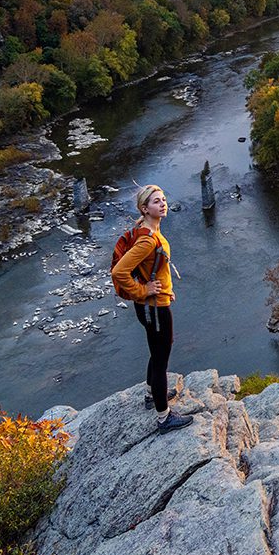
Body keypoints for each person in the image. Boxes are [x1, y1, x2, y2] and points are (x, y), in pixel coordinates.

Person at [111, 184, 193, 434]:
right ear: (144, 209)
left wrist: (164, 289)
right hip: (154, 308)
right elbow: (119, 272)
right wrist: (143, 291)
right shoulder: (147, 239)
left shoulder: (145, 231)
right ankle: (163, 417)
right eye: (156, 202)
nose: (163, 204)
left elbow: (155, 268)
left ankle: (150, 394)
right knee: (160, 359)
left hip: (152, 305)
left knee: (156, 351)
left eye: (164, 199)